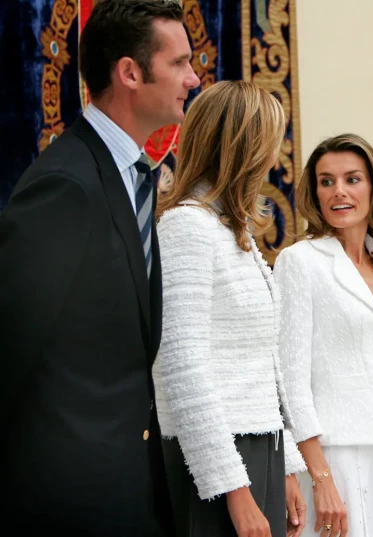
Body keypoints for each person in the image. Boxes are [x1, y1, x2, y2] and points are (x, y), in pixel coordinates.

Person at [0, 0, 201, 534]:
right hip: (66, 501)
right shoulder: (65, 185)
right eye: (179, 63)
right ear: (130, 73)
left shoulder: (132, 175)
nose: (194, 77)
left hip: (130, 492)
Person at [153, 80, 307, 537]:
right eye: (268, 144)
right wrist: (233, 490)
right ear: (242, 148)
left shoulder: (229, 230)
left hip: (260, 451)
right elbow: (182, 366)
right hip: (213, 461)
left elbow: (261, 364)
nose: (274, 159)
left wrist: (286, 465)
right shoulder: (187, 227)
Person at [273, 134, 373, 537]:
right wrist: (321, 478)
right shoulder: (300, 262)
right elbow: (291, 382)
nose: (338, 191)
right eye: (326, 181)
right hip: (337, 456)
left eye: (352, 179)